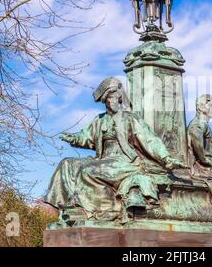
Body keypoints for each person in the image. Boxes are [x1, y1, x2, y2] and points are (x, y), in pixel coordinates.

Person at [44, 77, 184, 221]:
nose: (112, 101)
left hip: (124, 160)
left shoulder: (129, 118)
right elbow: (85, 137)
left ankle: (102, 210)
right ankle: (70, 206)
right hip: (104, 159)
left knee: (88, 171)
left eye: (114, 97)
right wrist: (72, 138)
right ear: (104, 101)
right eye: (108, 98)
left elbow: (150, 140)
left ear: (119, 98)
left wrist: (166, 158)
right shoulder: (99, 120)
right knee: (67, 164)